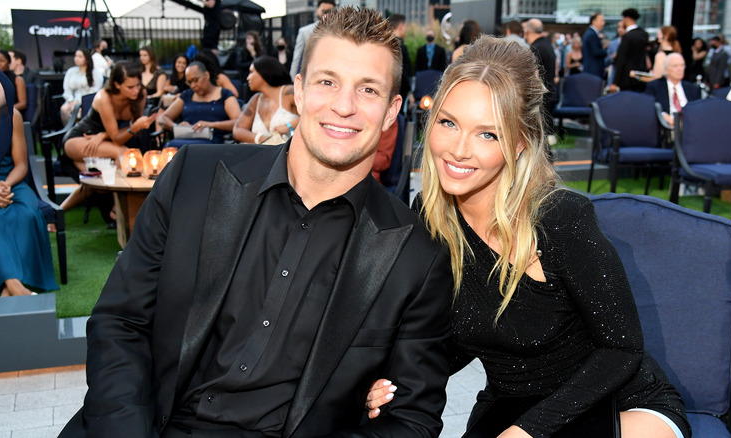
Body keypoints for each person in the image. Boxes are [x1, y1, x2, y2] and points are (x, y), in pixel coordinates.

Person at [60, 6, 452, 437]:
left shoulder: (417, 255)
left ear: (393, 109)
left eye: (368, 90)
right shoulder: (195, 177)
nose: (344, 106)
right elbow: (121, 321)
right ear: (298, 91)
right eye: (327, 82)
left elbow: (411, 420)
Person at [365, 35, 692, 438]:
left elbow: (621, 349)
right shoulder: (431, 221)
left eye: (488, 134)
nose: (459, 149)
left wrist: (529, 432)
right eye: (448, 123)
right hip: (515, 405)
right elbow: (460, 338)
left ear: (519, 143)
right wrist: (393, 379)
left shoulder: (560, 219)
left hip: (620, 402)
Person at [60, 62, 156, 211]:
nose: (136, 90)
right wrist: (134, 127)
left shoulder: (140, 95)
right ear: (117, 85)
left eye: (138, 85)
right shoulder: (104, 97)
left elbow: (117, 135)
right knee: (124, 154)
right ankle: (118, 210)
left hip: (103, 140)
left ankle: (56, 213)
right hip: (81, 139)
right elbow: (117, 138)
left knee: (98, 179)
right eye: (130, 87)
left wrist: (103, 135)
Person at [0, 72, 58, 297]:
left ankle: (7, 288)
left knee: (27, 214)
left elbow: (22, 164)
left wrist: (4, 185)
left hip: (11, 180)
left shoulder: (12, 116)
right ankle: (15, 286)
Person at [158, 61, 240, 146]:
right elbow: (163, 118)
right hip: (184, 140)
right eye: (189, 82)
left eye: (195, 80)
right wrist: (177, 126)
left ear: (207, 75)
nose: (193, 85)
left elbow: (239, 122)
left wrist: (211, 125)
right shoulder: (187, 95)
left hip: (210, 143)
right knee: (170, 148)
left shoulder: (225, 95)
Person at [232, 56, 298, 144]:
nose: (248, 78)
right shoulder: (256, 99)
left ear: (264, 73)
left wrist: (288, 126)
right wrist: (260, 138)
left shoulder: (289, 92)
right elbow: (237, 130)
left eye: (251, 72)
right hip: (260, 154)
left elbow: (313, 113)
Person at [523, 18, 558, 142]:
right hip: (549, 92)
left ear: (527, 31)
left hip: (541, 96)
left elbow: (532, 75)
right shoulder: (547, 45)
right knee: (546, 133)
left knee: (541, 135)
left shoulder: (536, 48)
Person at [645, 53, 701, 127]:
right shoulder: (655, 87)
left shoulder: (693, 89)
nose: (680, 69)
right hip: (666, 129)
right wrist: (663, 115)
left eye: (682, 65)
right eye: (675, 66)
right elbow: (649, 109)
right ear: (666, 69)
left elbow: (699, 111)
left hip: (690, 127)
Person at [290, 0, 336, 76]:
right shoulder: (305, 32)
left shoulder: (339, 31)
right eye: (324, 11)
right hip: (311, 74)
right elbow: (297, 58)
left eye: (330, 11)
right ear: (317, 10)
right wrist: (293, 78)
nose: (327, 14)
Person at [60, 48, 103, 125]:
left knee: (80, 110)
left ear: (86, 59)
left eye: (80, 57)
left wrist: (79, 101)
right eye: (76, 56)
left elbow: (95, 90)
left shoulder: (95, 73)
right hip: (72, 100)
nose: (76, 59)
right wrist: (71, 100)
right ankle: (68, 131)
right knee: (64, 109)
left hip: (88, 100)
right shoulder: (71, 71)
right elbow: (67, 89)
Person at [611, 8, 648, 92]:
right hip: (640, 77)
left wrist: (615, 82)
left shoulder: (627, 37)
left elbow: (621, 60)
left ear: (627, 18)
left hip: (626, 79)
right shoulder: (644, 34)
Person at [388, 13, 413, 111]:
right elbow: (405, 74)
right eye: (405, 26)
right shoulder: (401, 47)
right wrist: (410, 92)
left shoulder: (384, 45)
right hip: (399, 93)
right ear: (401, 26)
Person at [582, 12, 607, 78]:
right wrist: (607, 51)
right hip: (593, 71)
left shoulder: (591, 33)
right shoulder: (591, 35)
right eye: (601, 21)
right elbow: (596, 52)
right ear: (594, 21)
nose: (603, 23)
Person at [606, 20, 625, 89]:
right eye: (618, 27)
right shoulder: (612, 44)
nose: (620, 29)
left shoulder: (631, 42)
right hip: (614, 77)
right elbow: (606, 61)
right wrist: (612, 57)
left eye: (623, 27)